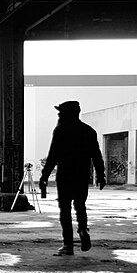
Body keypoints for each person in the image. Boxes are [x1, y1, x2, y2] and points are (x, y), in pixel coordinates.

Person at [39, 101, 106, 256]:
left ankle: (68, 245)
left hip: (65, 176)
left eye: (60, 112)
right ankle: (83, 230)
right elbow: (96, 155)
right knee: (80, 206)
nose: (58, 115)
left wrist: (44, 176)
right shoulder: (88, 131)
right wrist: (101, 175)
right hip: (82, 176)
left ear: (68, 113)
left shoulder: (61, 130)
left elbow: (53, 155)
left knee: (65, 210)